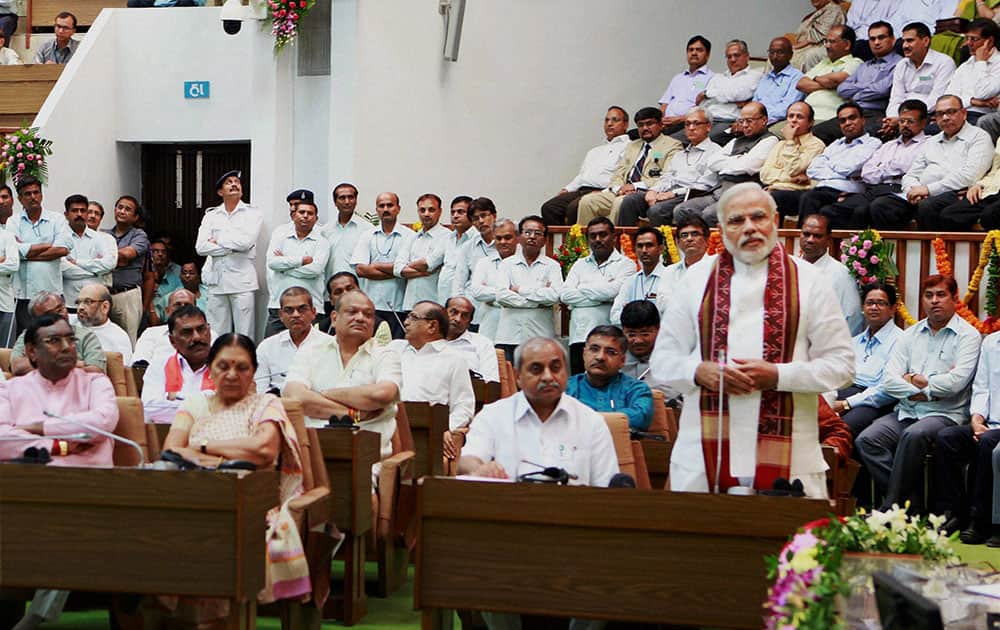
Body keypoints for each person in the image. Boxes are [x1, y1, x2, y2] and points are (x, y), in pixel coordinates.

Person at [651, 182, 854, 498]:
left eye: (758, 217)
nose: (749, 228)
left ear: (775, 222)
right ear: (721, 229)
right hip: (702, 456)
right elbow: (661, 363)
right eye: (736, 220)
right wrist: (697, 371)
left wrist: (778, 375)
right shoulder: (695, 279)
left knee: (787, 546)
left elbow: (842, 367)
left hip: (792, 456)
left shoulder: (810, 280)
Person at [158, 333, 309, 626]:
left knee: (220, 541)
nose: (231, 375)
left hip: (255, 507)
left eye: (242, 368)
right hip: (195, 500)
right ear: (211, 368)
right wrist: (234, 453)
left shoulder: (267, 404)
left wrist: (202, 448)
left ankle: (214, 622)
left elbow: (263, 451)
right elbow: (171, 450)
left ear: (253, 372)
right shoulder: (195, 404)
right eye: (223, 366)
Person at [0, 313, 119, 630]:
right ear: (31, 352)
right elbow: (1, 439)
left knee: (70, 530)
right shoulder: (13, 390)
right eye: (54, 341)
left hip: (91, 494)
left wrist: (39, 428)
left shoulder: (96, 382)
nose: (66, 347)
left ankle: (34, 620)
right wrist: (59, 446)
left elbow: (101, 424)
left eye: (70, 339)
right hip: (30, 495)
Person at [856, 274, 981, 513]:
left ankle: (890, 507)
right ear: (922, 300)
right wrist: (923, 387)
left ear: (955, 299)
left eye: (941, 295)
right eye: (929, 295)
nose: (934, 301)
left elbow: (956, 383)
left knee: (913, 436)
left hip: (944, 413)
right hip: (906, 410)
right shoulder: (910, 335)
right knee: (868, 440)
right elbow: (889, 380)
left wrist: (914, 382)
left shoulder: (969, 336)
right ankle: (910, 505)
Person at [458, 336, 619, 486]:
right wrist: (479, 469)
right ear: (518, 376)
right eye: (536, 369)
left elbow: (606, 486)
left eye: (556, 368)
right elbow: (466, 462)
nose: (548, 377)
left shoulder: (591, 422)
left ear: (566, 372)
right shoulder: (493, 416)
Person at [284, 290, 402, 459]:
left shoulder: (385, 355)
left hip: (366, 457)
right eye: (352, 312)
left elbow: (382, 394)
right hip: (311, 453)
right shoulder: (311, 351)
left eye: (368, 315)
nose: (360, 318)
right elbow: (294, 396)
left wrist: (322, 395)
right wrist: (355, 414)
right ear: (334, 317)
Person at [877, 94, 993, 229]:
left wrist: (928, 190)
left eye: (951, 112)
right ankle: (892, 250)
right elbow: (911, 174)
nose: (945, 117)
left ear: (964, 113)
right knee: (882, 205)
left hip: (955, 192)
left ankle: (933, 250)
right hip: (921, 194)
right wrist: (913, 191)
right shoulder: (931, 141)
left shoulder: (978, 137)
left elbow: (971, 175)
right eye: (940, 114)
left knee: (928, 206)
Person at [933, 329, 1000, 544]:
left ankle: (979, 521)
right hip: (989, 422)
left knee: (988, 443)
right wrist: (977, 420)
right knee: (947, 438)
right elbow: (982, 387)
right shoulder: (991, 342)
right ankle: (953, 513)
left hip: (994, 433)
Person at [819, 98, 929, 227]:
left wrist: (882, 168)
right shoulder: (888, 145)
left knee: (868, 210)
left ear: (923, 123)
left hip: (901, 192)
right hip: (877, 189)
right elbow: (867, 173)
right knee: (830, 211)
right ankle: (845, 246)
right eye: (902, 121)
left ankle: (869, 246)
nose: (905, 125)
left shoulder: (928, 144)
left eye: (910, 121)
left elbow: (909, 167)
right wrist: (894, 169)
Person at [672, 102, 780, 226]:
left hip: (744, 194)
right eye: (741, 121)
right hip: (721, 190)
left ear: (764, 120)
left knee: (710, 214)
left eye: (749, 121)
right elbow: (712, 162)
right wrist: (740, 159)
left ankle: (716, 245)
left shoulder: (770, 140)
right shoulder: (736, 140)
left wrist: (729, 161)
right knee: (681, 210)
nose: (744, 125)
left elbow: (747, 167)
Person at [616, 107, 722, 227]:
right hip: (668, 192)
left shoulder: (716, 152)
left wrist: (672, 194)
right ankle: (625, 242)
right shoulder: (680, 154)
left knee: (657, 210)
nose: (691, 128)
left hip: (689, 195)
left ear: (708, 127)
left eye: (696, 123)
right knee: (631, 200)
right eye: (687, 124)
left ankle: (662, 244)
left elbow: (704, 186)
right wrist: (654, 190)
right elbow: (667, 177)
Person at [575, 107, 683, 225]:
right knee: (587, 201)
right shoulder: (632, 146)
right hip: (621, 191)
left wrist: (634, 187)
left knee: (620, 202)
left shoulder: (672, 145)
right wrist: (619, 188)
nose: (645, 128)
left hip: (648, 193)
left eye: (649, 124)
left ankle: (614, 242)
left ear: (661, 125)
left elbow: (666, 178)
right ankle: (583, 243)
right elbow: (619, 173)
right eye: (641, 125)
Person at [560, 217, 636, 374]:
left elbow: (614, 291)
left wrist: (582, 287)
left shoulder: (626, 264)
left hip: (610, 339)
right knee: (580, 389)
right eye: (593, 236)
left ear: (614, 237)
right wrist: (603, 296)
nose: (598, 240)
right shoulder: (580, 264)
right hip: (579, 338)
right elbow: (565, 295)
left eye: (603, 235)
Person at [785, 102, 883, 222]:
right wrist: (843, 173)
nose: (847, 123)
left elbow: (848, 168)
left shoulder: (873, 143)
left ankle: (806, 237)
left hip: (847, 191)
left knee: (810, 198)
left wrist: (829, 162)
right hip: (822, 189)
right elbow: (813, 170)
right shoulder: (836, 144)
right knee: (779, 198)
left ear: (863, 120)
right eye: (843, 120)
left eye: (852, 118)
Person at [195, 170, 263, 338]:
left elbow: (246, 243)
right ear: (220, 192)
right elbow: (201, 247)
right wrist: (232, 247)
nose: (234, 184)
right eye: (229, 182)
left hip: (242, 281)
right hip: (217, 280)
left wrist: (217, 242)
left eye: (237, 182)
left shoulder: (252, 213)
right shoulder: (211, 215)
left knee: (244, 333)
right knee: (217, 333)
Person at [389, 300, 475, 432]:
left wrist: (443, 430)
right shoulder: (394, 348)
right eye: (407, 317)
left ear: (432, 326)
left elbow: (464, 407)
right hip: (386, 427)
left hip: (427, 433)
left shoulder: (454, 359)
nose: (406, 322)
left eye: (413, 317)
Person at [830, 282, 903, 436]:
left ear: (892, 309)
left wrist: (847, 403)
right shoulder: (855, 341)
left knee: (839, 430)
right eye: (869, 303)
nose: (874, 308)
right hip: (844, 393)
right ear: (863, 308)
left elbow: (888, 389)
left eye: (881, 303)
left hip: (874, 402)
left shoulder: (901, 341)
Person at [814, 21, 902, 144]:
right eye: (872, 39)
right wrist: (867, 89)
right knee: (817, 133)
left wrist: (855, 93)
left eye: (881, 38)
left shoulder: (900, 63)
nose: (876, 42)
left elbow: (882, 90)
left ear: (892, 40)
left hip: (877, 114)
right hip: (854, 112)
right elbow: (842, 89)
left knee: (862, 136)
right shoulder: (864, 65)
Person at [540, 107, 630, 225]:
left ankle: (577, 243)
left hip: (603, 192)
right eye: (606, 120)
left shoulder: (629, 147)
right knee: (549, 207)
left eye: (615, 120)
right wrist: (567, 189)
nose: (609, 124)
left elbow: (622, 176)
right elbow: (582, 175)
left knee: (574, 208)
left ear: (625, 124)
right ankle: (563, 243)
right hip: (582, 189)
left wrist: (603, 192)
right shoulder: (595, 151)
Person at [494, 217, 562, 361]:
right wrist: (538, 302)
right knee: (509, 381)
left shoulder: (552, 266)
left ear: (544, 240)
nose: (532, 237)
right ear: (519, 237)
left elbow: (554, 296)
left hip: (541, 336)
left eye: (537, 233)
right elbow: (501, 296)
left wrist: (520, 290)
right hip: (509, 336)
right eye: (527, 232)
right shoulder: (506, 264)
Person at [11, 176, 71, 336]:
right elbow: (12, 251)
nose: (33, 197)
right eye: (27, 194)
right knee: (26, 341)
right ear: (20, 198)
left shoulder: (56, 219)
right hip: (23, 296)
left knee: (56, 337)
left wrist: (26, 253)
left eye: (36, 192)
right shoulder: (13, 221)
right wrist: (47, 245)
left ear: (41, 195)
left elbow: (62, 249)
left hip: (52, 294)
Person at [565, 325, 654, 430]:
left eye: (610, 352)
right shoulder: (566, 388)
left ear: (622, 361)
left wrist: (582, 420)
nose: (600, 357)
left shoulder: (636, 389)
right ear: (584, 354)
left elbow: (640, 417)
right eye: (594, 349)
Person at [351, 191, 414, 339]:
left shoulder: (410, 236)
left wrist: (374, 266)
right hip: (370, 307)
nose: (386, 209)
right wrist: (398, 270)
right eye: (381, 206)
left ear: (398, 208)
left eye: (390, 205)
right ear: (377, 210)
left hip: (399, 306)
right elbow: (360, 269)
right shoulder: (367, 235)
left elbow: (411, 269)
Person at [264, 200, 330, 338]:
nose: (305, 216)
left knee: (312, 354)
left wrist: (284, 267)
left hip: (312, 309)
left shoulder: (322, 242)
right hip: (279, 306)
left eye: (310, 213)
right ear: (294, 216)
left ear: (316, 219)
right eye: (301, 212)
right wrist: (301, 261)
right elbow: (272, 263)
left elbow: (314, 270)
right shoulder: (280, 237)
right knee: (272, 351)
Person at [881, 22, 956, 139]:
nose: (904, 45)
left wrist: (904, 118)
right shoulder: (901, 64)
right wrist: (892, 119)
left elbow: (937, 99)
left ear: (925, 41)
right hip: (902, 117)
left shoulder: (944, 62)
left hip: (927, 115)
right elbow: (896, 97)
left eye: (910, 41)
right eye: (904, 41)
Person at [140, 305, 214, 423]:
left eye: (201, 329)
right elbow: (151, 409)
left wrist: (176, 398)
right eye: (187, 332)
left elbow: (231, 410)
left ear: (209, 331)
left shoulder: (226, 365)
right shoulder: (159, 365)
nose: (196, 337)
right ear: (172, 341)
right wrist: (207, 404)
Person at [255, 286, 331, 395]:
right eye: (289, 310)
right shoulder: (267, 347)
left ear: (314, 312)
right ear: (281, 315)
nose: (295, 315)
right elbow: (259, 389)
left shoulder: (329, 344)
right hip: (277, 407)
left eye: (302, 309)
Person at [10, 291, 106, 376]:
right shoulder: (29, 335)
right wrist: (75, 364)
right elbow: (18, 367)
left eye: (60, 309)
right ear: (37, 320)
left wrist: (43, 363)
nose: (60, 315)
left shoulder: (86, 336)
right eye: (50, 314)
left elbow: (96, 372)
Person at [760, 102, 827, 223]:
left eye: (799, 117)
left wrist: (790, 141)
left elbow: (794, 169)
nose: (794, 120)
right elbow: (764, 174)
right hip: (775, 189)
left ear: (810, 122)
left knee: (771, 198)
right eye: (791, 116)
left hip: (800, 193)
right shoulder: (780, 144)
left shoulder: (816, 145)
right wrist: (790, 179)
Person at [798, 212, 864, 335]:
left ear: (828, 240)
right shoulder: (791, 267)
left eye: (817, 236)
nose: (810, 240)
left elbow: (853, 318)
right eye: (806, 234)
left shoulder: (841, 274)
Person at [934, 115, 1000, 230]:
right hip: (994, 190)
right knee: (950, 215)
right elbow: (995, 171)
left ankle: (991, 247)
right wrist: (980, 184)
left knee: (991, 215)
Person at [700, 40, 765, 146]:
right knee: (675, 138)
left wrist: (707, 93)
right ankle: (662, 156)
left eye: (736, 55)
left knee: (705, 138)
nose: (733, 60)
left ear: (747, 56)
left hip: (728, 121)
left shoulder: (755, 75)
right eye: (729, 57)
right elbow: (703, 103)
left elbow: (736, 94)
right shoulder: (718, 77)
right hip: (707, 119)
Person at [795, 25, 863, 125]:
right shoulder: (823, 62)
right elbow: (801, 84)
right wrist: (828, 84)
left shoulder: (855, 63)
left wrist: (815, 78)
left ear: (847, 44)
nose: (826, 45)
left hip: (827, 118)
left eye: (832, 42)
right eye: (825, 41)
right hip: (805, 117)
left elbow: (837, 80)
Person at [103, 195, 147, 346]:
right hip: (106, 295)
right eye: (120, 207)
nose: (122, 211)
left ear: (135, 217)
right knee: (105, 340)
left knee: (128, 342)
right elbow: (118, 258)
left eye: (128, 209)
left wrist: (105, 257)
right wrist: (115, 258)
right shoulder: (104, 235)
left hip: (128, 295)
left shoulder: (139, 235)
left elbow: (128, 255)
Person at [61, 194, 116, 315]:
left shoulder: (99, 238)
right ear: (66, 214)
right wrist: (95, 271)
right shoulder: (60, 237)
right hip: (69, 302)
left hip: (96, 301)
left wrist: (78, 263)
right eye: (74, 210)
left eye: (83, 210)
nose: (79, 214)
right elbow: (63, 269)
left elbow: (109, 264)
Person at [395, 193, 450, 311]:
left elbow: (428, 264)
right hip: (410, 304)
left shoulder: (447, 237)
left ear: (440, 211)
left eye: (431, 210)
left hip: (433, 304)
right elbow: (397, 269)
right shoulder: (412, 237)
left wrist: (409, 265)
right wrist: (423, 271)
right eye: (422, 210)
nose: (426, 214)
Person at [133, 288, 216, 365]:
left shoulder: (210, 334)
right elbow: (139, 365)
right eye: (177, 305)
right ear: (167, 311)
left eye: (187, 305)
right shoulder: (151, 333)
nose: (182, 309)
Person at [453, 197, 499, 332]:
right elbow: (459, 283)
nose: (480, 221)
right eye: (475, 218)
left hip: (501, 312)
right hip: (474, 313)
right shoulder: (468, 247)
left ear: (494, 216)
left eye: (484, 216)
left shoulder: (508, 244)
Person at [467, 218, 518, 341]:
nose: (503, 242)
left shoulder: (525, 262)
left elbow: (528, 296)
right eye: (498, 238)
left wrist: (492, 298)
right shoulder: (484, 263)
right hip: (490, 330)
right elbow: (476, 292)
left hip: (517, 331)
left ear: (517, 238)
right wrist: (509, 292)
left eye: (507, 237)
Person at [944, 18, 1000, 126]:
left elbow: (982, 93)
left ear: (990, 41)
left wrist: (981, 62)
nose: (968, 43)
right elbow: (948, 97)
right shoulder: (966, 66)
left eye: (974, 39)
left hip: (984, 118)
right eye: (967, 38)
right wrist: (973, 101)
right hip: (958, 115)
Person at [658, 36, 715, 137]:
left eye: (699, 50)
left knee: (667, 140)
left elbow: (707, 111)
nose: (694, 53)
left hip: (687, 124)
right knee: (634, 135)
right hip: (665, 124)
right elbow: (664, 104)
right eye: (691, 50)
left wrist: (681, 119)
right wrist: (658, 120)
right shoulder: (678, 78)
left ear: (708, 55)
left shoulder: (713, 79)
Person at [610, 226, 667, 325]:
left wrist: (631, 314)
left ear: (661, 249)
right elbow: (614, 316)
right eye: (640, 246)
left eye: (649, 245)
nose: (644, 250)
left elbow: (672, 315)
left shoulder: (670, 277)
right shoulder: (630, 281)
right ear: (635, 249)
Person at [655, 215, 713, 310]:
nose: (689, 239)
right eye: (684, 235)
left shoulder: (717, 268)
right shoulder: (669, 271)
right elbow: (662, 305)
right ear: (678, 242)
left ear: (707, 240)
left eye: (695, 234)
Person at [444, 296, 499, 383]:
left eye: (465, 316)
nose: (458, 319)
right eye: (453, 312)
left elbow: (491, 380)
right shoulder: (428, 339)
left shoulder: (482, 343)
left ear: (470, 321)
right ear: (443, 313)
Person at [75, 283, 132, 365]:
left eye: (88, 302)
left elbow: (121, 371)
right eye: (78, 302)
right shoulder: (69, 325)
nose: (80, 307)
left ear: (105, 307)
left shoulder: (118, 337)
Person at [752, 38, 805, 126]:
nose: (775, 56)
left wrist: (759, 120)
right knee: (725, 136)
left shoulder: (797, 77)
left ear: (790, 55)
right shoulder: (766, 77)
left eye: (780, 52)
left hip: (776, 122)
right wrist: (746, 119)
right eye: (772, 52)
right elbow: (755, 103)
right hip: (756, 122)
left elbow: (785, 109)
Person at [438, 196, 476, 304]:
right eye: (452, 212)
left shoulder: (476, 240)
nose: (455, 216)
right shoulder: (448, 238)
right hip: (443, 299)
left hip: (467, 303)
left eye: (460, 212)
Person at [323, 182, 366, 278]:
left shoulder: (367, 230)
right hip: (331, 287)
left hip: (358, 288)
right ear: (335, 202)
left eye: (351, 197)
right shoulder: (325, 230)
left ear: (356, 200)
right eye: (342, 198)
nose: (347, 202)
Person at [791, 0, 848, 71]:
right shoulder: (815, 13)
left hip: (820, 46)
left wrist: (794, 47)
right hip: (805, 47)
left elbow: (816, 36)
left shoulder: (834, 10)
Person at [149, 237, 182, 325]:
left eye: (163, 252)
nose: (160, 254)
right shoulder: (140, 277)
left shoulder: (175, 279)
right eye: (155, 251)